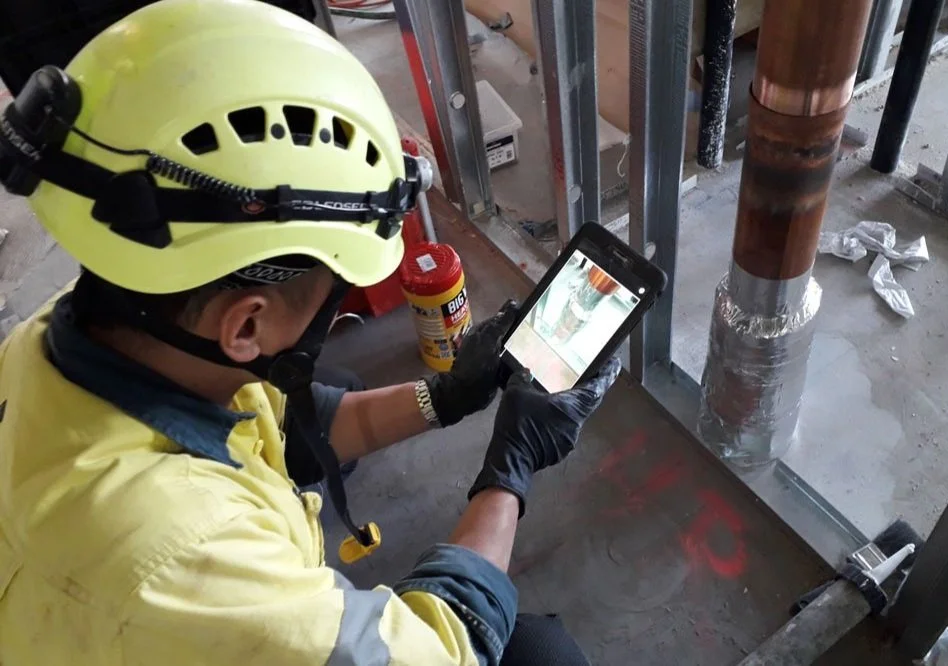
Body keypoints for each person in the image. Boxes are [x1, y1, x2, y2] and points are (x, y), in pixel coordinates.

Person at [0, 1, 620, 665]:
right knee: (541, 655)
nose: (331, 316)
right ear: (245, 324)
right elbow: (443, 651)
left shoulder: (75, 332)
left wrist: (447, 397)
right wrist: (511, 467)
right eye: (332, 297)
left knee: (329, 387)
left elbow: (272, 423)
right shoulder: (185, 555)